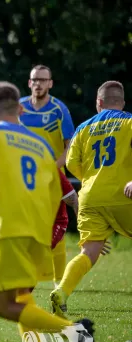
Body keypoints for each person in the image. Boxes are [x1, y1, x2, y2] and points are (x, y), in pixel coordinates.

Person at [0, 81, 98, 342]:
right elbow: (54, 190)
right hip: (40, 232)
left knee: (2, 306)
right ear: (20, 110)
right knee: (22, 297)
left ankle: (75, 333)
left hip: (9, 228)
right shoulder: (41, 145)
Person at [50, 81, 132, 317]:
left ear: (99, 102)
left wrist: (94, 179)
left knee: (88, 252)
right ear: (122, 102)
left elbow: (71, 163)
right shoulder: (129, 122)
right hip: (124, 195)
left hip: (90, 197)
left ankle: (61, 291)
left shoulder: (84, 128)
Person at [0, 169, 78, 309]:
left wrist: (83, 226)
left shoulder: (49, 169)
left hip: (51, 225)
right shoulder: (13, 168)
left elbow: (72, 198)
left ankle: (23, 302)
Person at [20, 64, 75, 286]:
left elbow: (70, 147)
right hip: (24, 179)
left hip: (53, 180)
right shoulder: (19, 108)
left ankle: (59, 286)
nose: (38, 84)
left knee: (57, 232)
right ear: (29, 82)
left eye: (43, 80)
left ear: (50, 83)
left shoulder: (59, 109)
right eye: (35, 80)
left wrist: (52, 168)